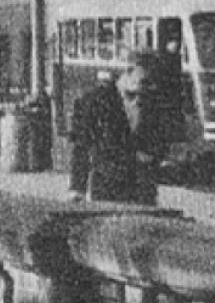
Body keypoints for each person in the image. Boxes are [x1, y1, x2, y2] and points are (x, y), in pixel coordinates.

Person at [67, 53, 170, 205]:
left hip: (143, 192)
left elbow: (160, 141)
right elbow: (81, 147)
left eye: (152, 83)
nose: (148, 87)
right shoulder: (95, 102)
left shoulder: (153, 103)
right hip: (107, 189)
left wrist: (155, 155)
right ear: (128, 71)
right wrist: (77, 188)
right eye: (144, 80)